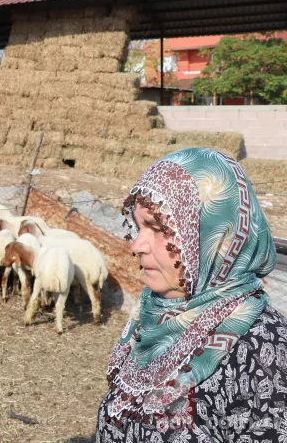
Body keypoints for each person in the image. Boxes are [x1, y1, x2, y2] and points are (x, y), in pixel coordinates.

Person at [95, 147, 285, 442]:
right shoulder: (152, 316)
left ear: (213, 236)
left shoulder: (262, 349)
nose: (137, 245)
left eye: (158, 228)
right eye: (139, 225)